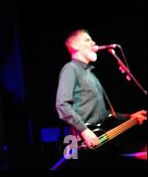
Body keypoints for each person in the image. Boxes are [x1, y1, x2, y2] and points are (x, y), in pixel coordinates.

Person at [55, 29, 146, 169]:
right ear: (75, 46)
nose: (93, 42)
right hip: (80, 141)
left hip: (100, 140)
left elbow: (104, 114)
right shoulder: (70, 68)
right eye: (87, 40)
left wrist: (130, 117)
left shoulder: (90, 74)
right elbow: (62, 104)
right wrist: (84, 130)